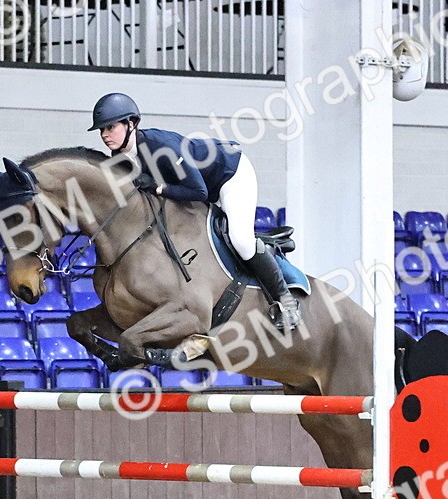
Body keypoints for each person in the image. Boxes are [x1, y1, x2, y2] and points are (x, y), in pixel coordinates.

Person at [88, 92, 301, 332]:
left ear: (131, 124)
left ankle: (285, 300)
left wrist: (159, 188)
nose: (104, 134)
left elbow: (198, 191)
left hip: (229, 176)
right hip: (200, 189)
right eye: (102, 130)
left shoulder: (160, 146)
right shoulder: (119, 158)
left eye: (110, 127)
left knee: (240, 240)